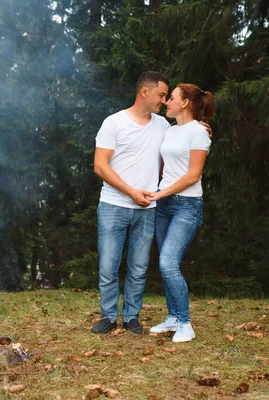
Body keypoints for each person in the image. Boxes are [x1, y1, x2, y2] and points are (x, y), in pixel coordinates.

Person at [91, 71, 171, 335]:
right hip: (113, 206)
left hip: (147, 208)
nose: (164, 100)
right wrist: (130, 191)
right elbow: (100, 166)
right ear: (144, 92)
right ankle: (109, 317)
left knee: (138, 268)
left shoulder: (163, 126)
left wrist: (201, 128)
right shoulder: (114, 123)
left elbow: (181, 147)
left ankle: (132, 317)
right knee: (108, 266)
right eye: (161, 95)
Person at [146, 84, 215, 342]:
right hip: (163, 207)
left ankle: (185, 323)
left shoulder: (198, 132)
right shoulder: (171, 130)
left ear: (185, 102)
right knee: (166, 265)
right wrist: (160, 195)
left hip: (186, 206)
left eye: (171, 98)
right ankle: (173, 317)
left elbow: (193, 175)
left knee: (167, 262)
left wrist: (160, 193)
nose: (167, 102)